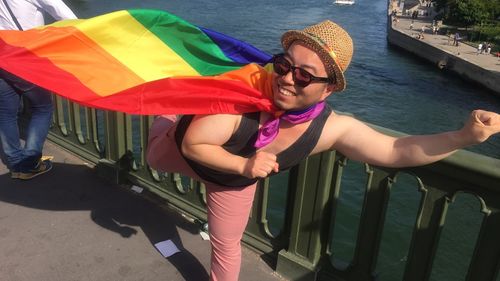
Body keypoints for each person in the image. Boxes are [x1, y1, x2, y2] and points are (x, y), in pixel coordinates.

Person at [146, 20, 500, 281]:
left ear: (328, 89)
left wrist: (462, 137)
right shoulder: (240, 96)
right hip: (186, 149)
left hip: (230, 182)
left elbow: (396, 149)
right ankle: (167, 105)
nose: (286, 78)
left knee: (226, 245)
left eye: (303, 75)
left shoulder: (331, 128)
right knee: (153, 151)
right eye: (284, 65)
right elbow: (195, 144)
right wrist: (244, 165)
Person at [0, 0, 77, 180]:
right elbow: (65, 15)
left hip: (3, 55)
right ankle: (29, 164)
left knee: (5, 113)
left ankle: (15, 162)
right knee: (42, 108)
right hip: (26, 57)